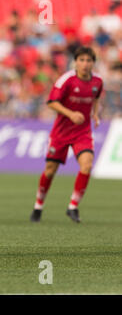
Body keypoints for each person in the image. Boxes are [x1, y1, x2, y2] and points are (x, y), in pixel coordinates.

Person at [30, 46, 103, 223]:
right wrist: (71, 114)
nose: (85, 64)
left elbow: (96, 98)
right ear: (76, 62)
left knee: (86, 166)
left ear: (93, 63)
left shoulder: (98, 82)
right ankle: (38, 205)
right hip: (61, 132)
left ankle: (73, 206)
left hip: (82, 132)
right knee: (50, 171)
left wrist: (95, 113)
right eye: (82, 60)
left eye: (88, 61)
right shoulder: (66, 80)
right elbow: (51, 102)